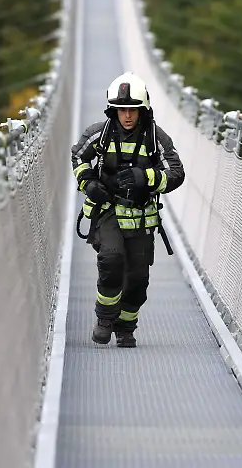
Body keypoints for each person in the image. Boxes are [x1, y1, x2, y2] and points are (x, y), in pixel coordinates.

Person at [70, 71, 185, 347]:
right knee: (111, 259)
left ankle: (126, 326)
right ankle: (105, 319)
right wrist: (88, 183)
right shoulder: (99, 133)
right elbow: (77, 156)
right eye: (122, 110)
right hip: (108, 210)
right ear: (114, 111)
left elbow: (177, 173)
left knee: (138, 278)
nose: (128, 116)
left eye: (133, 110)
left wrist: (145, 178)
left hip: (142, 215)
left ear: (143, 110)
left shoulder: (157, 138)